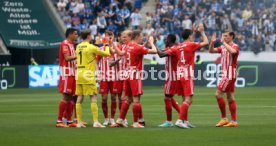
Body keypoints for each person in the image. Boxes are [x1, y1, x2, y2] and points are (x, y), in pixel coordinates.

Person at [112, 30, 157, 128]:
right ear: (136, 37)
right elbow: (154, 51)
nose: (142, 39)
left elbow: (121, 53)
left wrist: (113, 44)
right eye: (141, 37)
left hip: (127, 74)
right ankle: (136, 123)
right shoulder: (137, 47)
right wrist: (151, 43)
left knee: (127, 99)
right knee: (136, 100)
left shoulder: (127, 46)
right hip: (135, 75)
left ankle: (120, 119)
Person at [75, 29, 111, 128]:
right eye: (91, 35)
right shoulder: (91, 47)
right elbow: (107, 54)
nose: (92, 36)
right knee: (93, 97)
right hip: (88, 74)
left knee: (80, 97)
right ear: (88, 36)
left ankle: (78, 122)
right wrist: (106, 44)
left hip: (79, 73)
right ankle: (95, 122)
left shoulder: (78, 46)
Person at [175, 24, 209, 128]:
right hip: (187, 74)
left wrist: (193, 32)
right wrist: (202, 32)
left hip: (179, 73)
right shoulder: (191, 45)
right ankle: (180, 120)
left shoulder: (179, 46)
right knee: (189, 99)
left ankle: (185, 121)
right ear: (189, 36)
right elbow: (206, 42)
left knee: (184, 98)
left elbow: (190, 43)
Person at [209, 31, 240, 127]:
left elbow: (233, 52)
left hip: (230, 74)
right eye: (223, 36)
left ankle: (224, 118)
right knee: (230, 96)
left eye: (226, 36)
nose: (224, 37)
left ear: (231, 36)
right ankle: (234, 121)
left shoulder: (234, 46)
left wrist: (224, 43)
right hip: (226, 74)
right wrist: (212, 42)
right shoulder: (223, 47)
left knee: (218, 94)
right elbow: (211, 51)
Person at [156, 34, 181, 127]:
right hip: (170, 77)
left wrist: (153, 44)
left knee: (167, 98)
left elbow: (161, 54)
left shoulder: (174, 49)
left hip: (172, 77)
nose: (165, 40)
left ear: (169, 40)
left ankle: (169, 121)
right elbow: (161, 51)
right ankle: (183, 116)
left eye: (166, 39)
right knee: (169, 97)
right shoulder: (170, 48)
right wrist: (155, 47)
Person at [56, 28, 78, 128]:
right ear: (70, 34)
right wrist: (79, 54)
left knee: (70, 97)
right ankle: (59, 121)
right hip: (66, 73)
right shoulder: (64, 43)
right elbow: (67, 58)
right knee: (65, 96)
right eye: (75, 34)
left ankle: (69, 121)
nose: (76, 36)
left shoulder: (72, 45)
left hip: (72, 73)